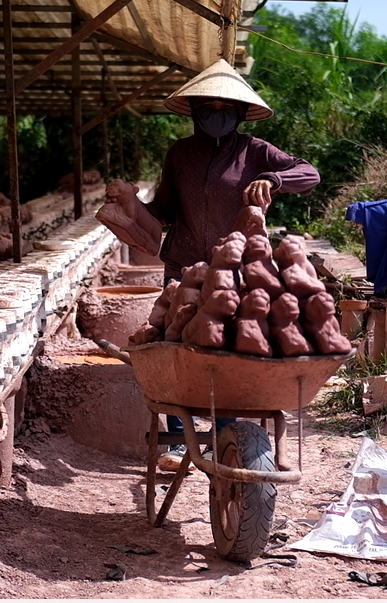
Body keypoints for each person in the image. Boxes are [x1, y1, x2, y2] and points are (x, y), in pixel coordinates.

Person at [102, 59, 321, 472]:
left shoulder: (255, 151)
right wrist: (129, 208)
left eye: (226, 109)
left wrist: (273, 180)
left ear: (240, 113)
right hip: (183, 265)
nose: (217, 116)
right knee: (173, 344)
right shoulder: (180, 154)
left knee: (223, 347)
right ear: (195, 110)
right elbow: (164, 209)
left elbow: (309, 174)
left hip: (234, 269)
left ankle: (225, 430)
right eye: (209, 108)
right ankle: (174, 435)